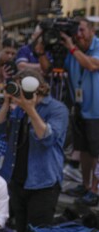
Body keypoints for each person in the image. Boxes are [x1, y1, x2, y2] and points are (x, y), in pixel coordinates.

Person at [0, 69, 68, 232]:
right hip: (17, 180)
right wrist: (6, 103)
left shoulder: (57, 109)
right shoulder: (18, 108)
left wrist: (31, 110)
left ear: (36, 88)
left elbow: (47, 138)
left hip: (43, 182)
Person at [38, 18, 99, 206]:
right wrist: (40, 51)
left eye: (81, 30)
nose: (78, 34)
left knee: (97, 153)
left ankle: (96, 191)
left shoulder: (94, 46)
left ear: (92, 30)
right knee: (84, 150)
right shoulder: (71, 49)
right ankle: (86, 185)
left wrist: (72, 47)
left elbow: (92, 65)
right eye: (76, 30)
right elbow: (48, 69)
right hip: (80, 108)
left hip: (97, 110)